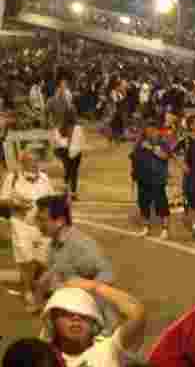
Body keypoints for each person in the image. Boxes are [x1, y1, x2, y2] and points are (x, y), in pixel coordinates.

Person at [34, 195, 115, 308]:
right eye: (37, 219)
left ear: (60, 221)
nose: (38, 225)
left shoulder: (80, 245)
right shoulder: (53, 245)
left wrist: (84, 293)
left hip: (86, 312)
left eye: (43, 220)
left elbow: (108, 275)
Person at [1, 151, 55, 311]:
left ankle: (37, 285)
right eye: (31, 161)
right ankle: (27, 290)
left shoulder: (44, 178)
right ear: (22, 163)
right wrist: (16, 204)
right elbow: (2, 200)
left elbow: (51, 198)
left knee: (43, 259)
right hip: (21, 224)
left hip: (42, 225)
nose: (35, 164)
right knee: (26, 258)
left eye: (37, 160)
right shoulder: (12, 178)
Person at [131, 121, 172, 239]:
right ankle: (146, 227)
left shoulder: (162, 143)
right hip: (143, 177)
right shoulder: (140, 143)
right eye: (148, 130)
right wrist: (134, 174)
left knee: (161, 203)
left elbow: (164, 156)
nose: (150, 132)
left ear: (157, 131)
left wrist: (151, 148)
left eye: (153, 130)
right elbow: (134, 158)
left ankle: (165, 229)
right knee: (143, 203)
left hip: (157, 178)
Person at [51, 111, 85, 199]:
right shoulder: (78, 128)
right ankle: (73, 192)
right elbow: (82, 140)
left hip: (64, 151)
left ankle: (66, 190)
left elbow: (56, 142)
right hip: (75, 152)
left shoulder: (59, 129)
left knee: (68, 171)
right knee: (74, 172)